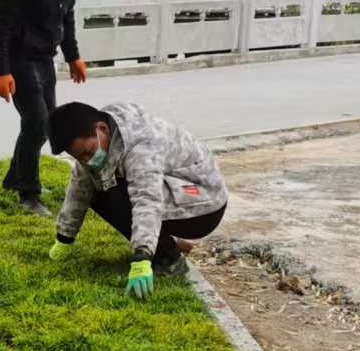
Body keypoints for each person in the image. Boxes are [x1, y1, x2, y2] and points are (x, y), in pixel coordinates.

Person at [45, 100, 228, 300]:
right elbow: (80, 186)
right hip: (175, 193)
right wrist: (64, 237)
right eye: (80, 157)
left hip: (204, 204)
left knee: (116, 193)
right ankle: (167, 244)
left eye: (88, 152)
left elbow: (146, 200)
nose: (87, 160)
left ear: (102, 129)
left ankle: (169, 259)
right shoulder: (104, 134)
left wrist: (142, 256)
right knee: (97, 188)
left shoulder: (142, 145)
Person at [0, 0, 89, 217]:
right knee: (37, 123)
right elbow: (0, 21)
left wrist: (73, 56)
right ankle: (27, 194)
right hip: (19, 55)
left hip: (45, 56)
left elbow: (66, 13)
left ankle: (14, 178)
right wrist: (0, 71)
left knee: (45, 123)